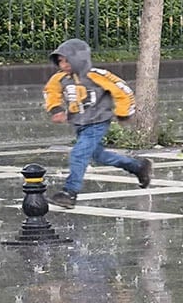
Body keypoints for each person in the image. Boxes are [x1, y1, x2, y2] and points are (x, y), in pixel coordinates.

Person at [44, 38, 152, 208]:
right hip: (79, 123)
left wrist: (124, 113)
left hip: (97, 122)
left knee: (79, 154)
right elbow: (51, 92)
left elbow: (122, 90)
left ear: (79, 59)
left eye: (67, 60)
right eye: (60, 61)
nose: (63, 65)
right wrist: (56, 109)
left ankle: (70, 192)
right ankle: (138, 167)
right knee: (98, 155)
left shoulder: (97, 76)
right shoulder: (60, 78)